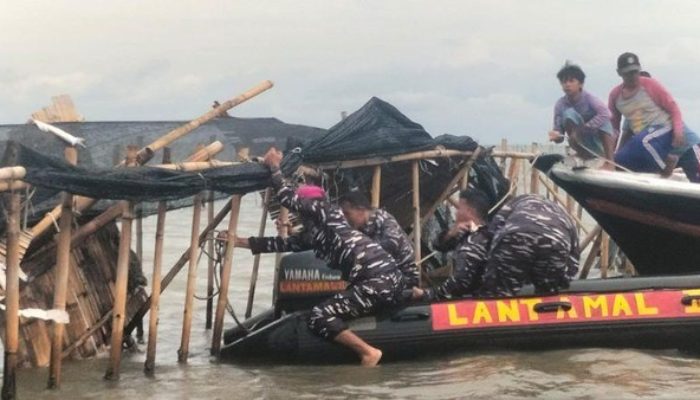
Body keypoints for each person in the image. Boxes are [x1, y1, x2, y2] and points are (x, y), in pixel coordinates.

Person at [251, 148, 404, 366]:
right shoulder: (320, 233)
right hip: (384, 280)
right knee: (326, 305)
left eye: (301, 209)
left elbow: (287, 198)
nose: (299, 213)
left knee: (319, 316)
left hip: (376, 281)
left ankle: (368, 352)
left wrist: (274, 167)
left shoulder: (326, 211)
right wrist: (239, 241)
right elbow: (282, 244)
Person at [413, 189, 579, 300]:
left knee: (497, 297)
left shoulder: (478, 239)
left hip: (517, 235)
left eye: (458, 209)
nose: (455, 213)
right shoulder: (513, 211)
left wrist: (427, 294)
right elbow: (573, 258)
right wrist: (562, 280)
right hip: (561, 239)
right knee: (549, 295)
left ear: (468, 212)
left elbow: (461, 282)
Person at [238, 190, 420, 288]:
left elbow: (390, 246)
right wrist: (241, 242)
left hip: (402, 278)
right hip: (370, 280)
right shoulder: (343, 231)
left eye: (347, 214)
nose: (345, 219)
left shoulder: (384, 220)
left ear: (360, 209)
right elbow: (290, 244)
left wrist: (350, 251)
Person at [609, 52, 700, 182]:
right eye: (628, 73)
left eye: (635, 72)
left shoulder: (650, 87)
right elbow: (616, 131)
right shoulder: (620, 101)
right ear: (620, 73)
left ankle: (667, 168)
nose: (633, 76)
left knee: (697, 179)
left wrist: (678, 132)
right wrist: (611, 158)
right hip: (657, 149)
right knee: (625, 158)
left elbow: (674, 108)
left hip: (684, 145)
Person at [548, 62, 616, 169]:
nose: (567, 85)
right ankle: (582, 154)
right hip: (579, 141)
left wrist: (584, 129)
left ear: (581, 84)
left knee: (605, 122)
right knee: (568, 114)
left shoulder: (590, 99)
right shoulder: (560, 105)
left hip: (597, 140)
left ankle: (610, 162)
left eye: (571, 81)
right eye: (564, 82)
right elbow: (559, 136)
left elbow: (606, 114)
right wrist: (555, 136)